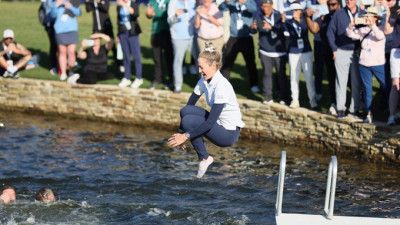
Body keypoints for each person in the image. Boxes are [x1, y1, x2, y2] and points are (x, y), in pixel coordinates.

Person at [167, 42, 245, 178]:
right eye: (198, 67)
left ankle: (204, 158)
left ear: (213, 66)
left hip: (228, 134)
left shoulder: (222, 86)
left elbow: (209, 122)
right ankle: (202, 152)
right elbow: (189, 106)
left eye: (201, 67)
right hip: (217, 124)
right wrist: (181, 133)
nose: (199, 71)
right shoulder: (203, 81)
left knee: (190, 121)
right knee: (185, 112)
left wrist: (185, 136)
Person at [346, 6, 386, 123]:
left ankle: (392, 109)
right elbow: (349, 34)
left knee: (386, 86)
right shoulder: (363, 30)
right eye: (366, 16)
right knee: (367, 89)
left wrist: (372, 25)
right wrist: (352, 24)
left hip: (378, 63)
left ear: (375, 18)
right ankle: (369, 113)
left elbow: (380, 36)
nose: (367, 19)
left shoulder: (381, 28)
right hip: (364, 64)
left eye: (370, 17)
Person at [326, 0, 364, 118]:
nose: (349, 1)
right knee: (341, 82)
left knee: (356, 82)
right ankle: (340, 109)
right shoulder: (338, 13)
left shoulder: (363, 13)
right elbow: (330, 32)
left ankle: (354, 110)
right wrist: (334, 49)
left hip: (357, 52)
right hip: (341, 50)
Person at [305, 0, 341, 114]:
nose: (331, 7)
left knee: (349, 80)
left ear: (339, 5)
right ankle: (334, 103)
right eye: (329, 5)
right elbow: (314, 29)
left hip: (345, 53)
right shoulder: (324, 18)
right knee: (331, 79)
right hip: (329, 53)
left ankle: (356, 103)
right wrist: (307, 17)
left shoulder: (345, 16)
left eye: (334, 4)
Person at [250, 0, 289, 104]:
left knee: (281, 75)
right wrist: (252, 28)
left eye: (267, 6)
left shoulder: (278, 16)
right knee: (267, 74)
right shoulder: (259, 16)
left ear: (272, 6)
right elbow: (254, 31)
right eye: (263, 6)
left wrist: (271, 28)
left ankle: (283, 97)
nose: (265, 8)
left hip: (279, 51)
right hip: (265, 51)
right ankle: (268, 97)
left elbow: (283, 31)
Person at [219, 0, 260, 93]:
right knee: (227, 62)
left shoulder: (250, 2)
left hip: (247, 37)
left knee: (251, 63)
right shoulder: (232, 2)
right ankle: (224, 86)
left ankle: (254, 85)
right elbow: (221, 8)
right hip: (233, 37)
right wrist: (226, 2)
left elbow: (253, 9)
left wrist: (243, 2)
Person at [285, 2, 318, 109]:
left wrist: (299, 20)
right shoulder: (288, 22)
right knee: (294, 76)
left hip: (306, 51)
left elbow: (306, 28)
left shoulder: (305, 20)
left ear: (300, 11)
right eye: (292, 11)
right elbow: (285, 31)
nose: (293, 12)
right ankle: (294, 99)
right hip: (293, 51)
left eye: (295, 10)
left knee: (309, 76)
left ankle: (312, 100)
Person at [167, 0, 197, 93]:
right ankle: (178, 86)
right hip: (178, 37)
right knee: (178, 62)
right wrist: (175, 15)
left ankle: (204, 86)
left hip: (192, 36)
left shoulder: (193, 2)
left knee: (200, 61)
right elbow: (169, 20)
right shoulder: (173, 2)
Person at [85, 0, 122, 72]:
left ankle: (119, 64)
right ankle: (95, 63)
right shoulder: (93, 2)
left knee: (112, 45)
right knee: (95, 45)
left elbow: (106, 8)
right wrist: (88, 2)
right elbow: (88, 9)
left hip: (106, 26)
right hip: (96, 27)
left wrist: (99, 2)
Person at [145, 0, 174, 90]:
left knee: (169, 58)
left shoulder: (169, 1)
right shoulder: (153, 1)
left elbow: (169, 14)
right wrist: (148, 14)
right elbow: (148, 14)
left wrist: (155, 14)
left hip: (167, 31)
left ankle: (171, 80)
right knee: (157, 58)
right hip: (155, 31)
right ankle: (157, 79)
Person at [51, 0, 81, 81]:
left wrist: (70, 6)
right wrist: (56, 6)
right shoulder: (56, 3)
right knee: (62, 53)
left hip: (72, 30)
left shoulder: (72, 2)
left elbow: (79, 12)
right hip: (60, 30)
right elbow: (52, 15)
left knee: (71, 52)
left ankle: (71, 70)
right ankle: (63, 72)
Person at [116, 0, 143, 88]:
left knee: (136, 56)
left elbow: (135, 14)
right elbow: (118, 19)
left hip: (133, 32)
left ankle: (138, 77)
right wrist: (118, 34)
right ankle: (126, 77)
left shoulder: (133, 4)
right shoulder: (119, 6)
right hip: (123, 32)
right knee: (126, 55)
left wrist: (124, 5)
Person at [384, 0, 400, 125]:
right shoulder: (396, 7)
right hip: (396, 49)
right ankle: (391, 116)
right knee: (395, 83)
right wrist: (389, 14)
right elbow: (387, 30)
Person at [40, 0, 58, 75]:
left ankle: (66, 63)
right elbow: (49, 12)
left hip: (62, 24)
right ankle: (53, 66)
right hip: (51, 24)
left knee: (63, 45)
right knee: (54, 45)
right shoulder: (49, 2)